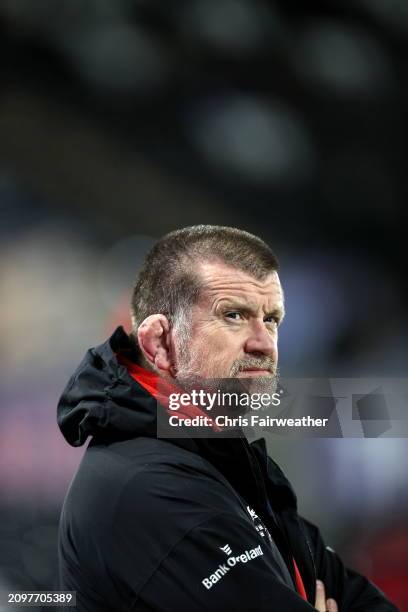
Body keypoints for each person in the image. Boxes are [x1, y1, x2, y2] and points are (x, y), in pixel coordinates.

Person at [57, 225, 397, 611]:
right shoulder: (147, 486)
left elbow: (349, 589)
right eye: (233, 316)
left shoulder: (227, 459)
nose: (264, 343)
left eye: (271, 320)